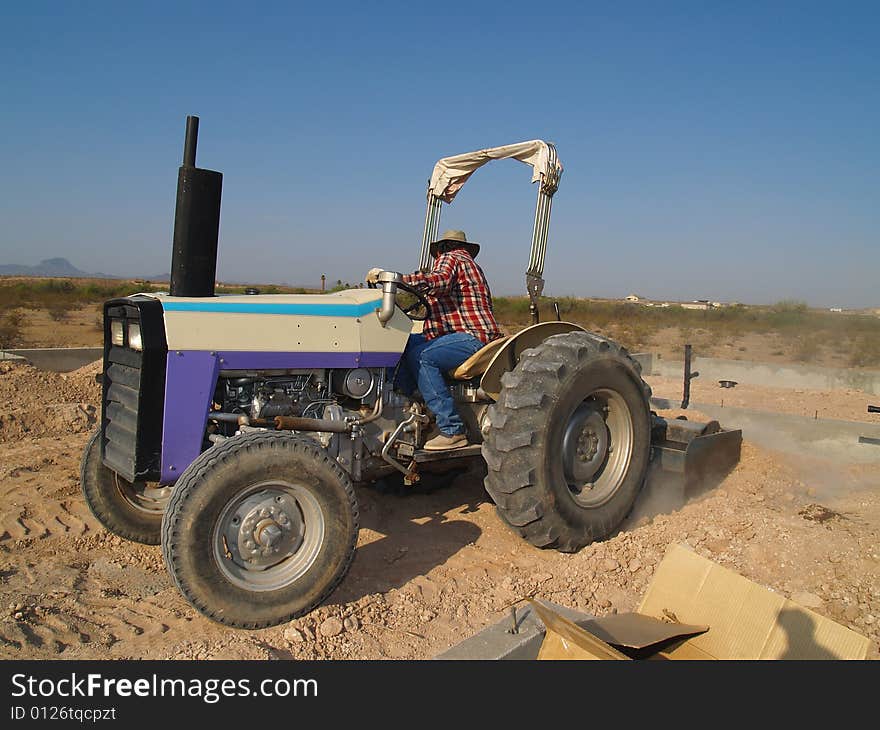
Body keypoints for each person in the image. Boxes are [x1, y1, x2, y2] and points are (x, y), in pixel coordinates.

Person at [366, 230, 502, 450]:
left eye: (437, 254)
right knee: (401, 344)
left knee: (423, 356)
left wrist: (392, 278)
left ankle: (452, 429)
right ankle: (413, 406)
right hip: (454, 336)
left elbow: (437, 280)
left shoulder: (454, 257)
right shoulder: (464, 266)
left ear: (441, 248)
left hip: (472, 337)